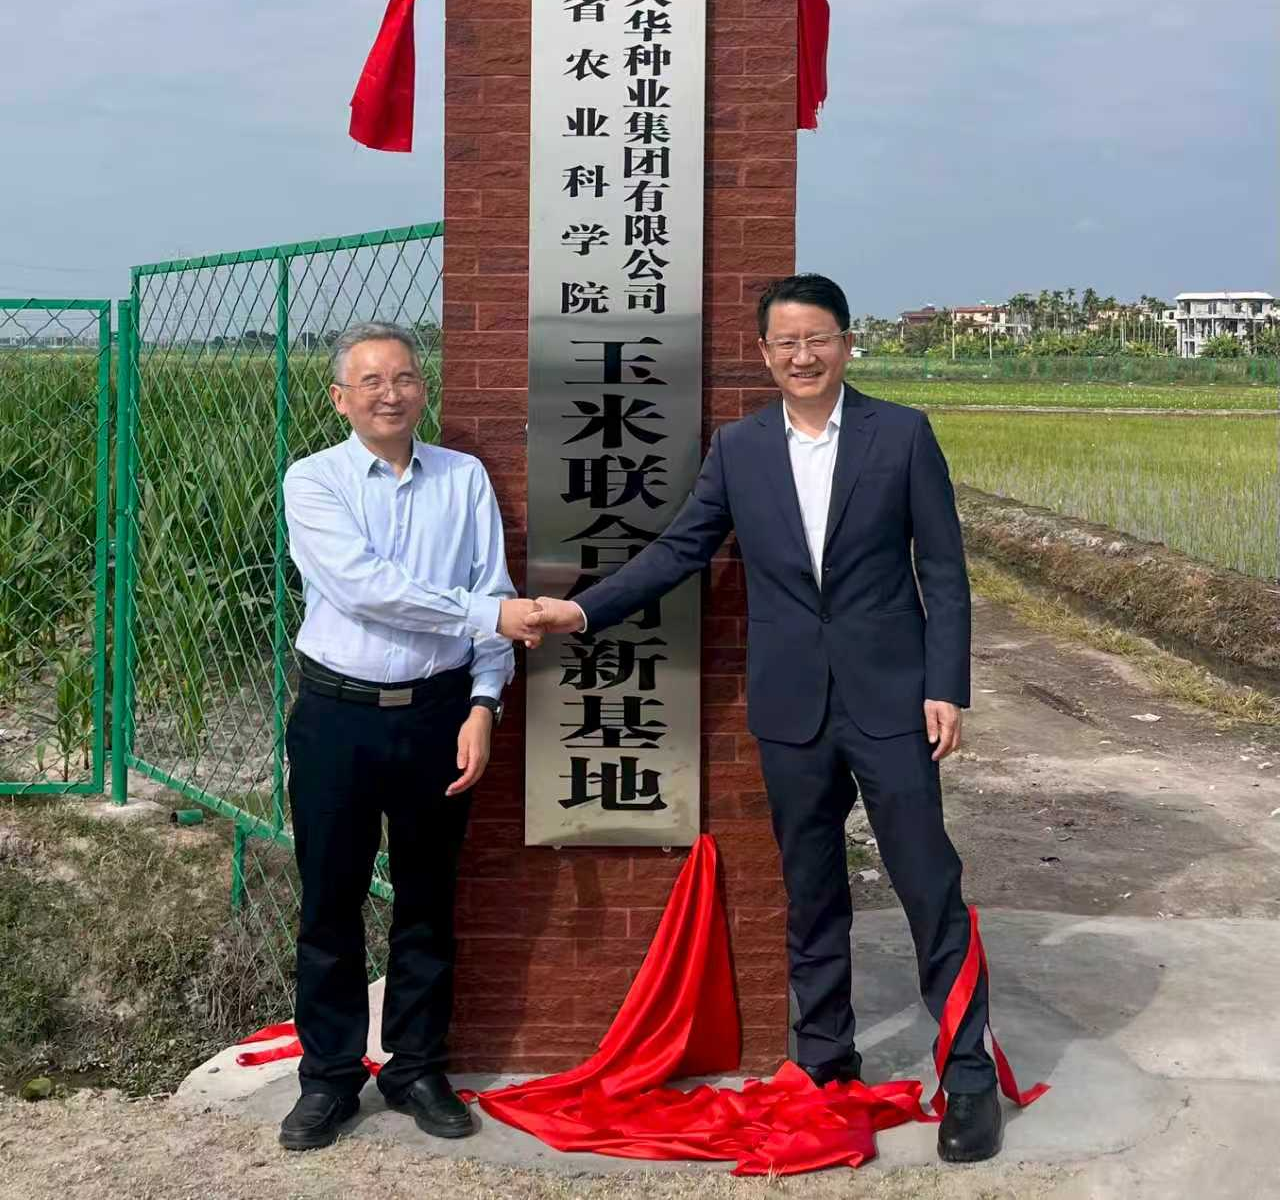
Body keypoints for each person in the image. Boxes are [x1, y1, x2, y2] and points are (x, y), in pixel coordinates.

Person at [534, 275, 1003, 1164]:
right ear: (763, 353)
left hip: (891, 701)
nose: (802, 355)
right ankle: (825, 1060)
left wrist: (946, 685)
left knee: (927, 882)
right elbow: (681, 548)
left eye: (818, 338)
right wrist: (585, 609)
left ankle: (969, 1074)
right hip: (791, 707)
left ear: (847, 343)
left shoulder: (902, 434)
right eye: (786, 342)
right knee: (811, 889)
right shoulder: (740, 447)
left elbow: (943, 569)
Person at [277, 321, 544, 1152]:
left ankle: (416, 1066)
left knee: (429, 900)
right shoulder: (312, 481)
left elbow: (493, 584)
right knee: (330, 901)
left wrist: (484, 703)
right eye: (370, 381)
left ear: (423, 388)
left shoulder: (462, 477)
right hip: (337, 717)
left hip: (438, 715)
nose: (389, 394)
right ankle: (328, 1077)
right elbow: (366, 589)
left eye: (403, 378)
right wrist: (487, 615)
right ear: (340, 398)